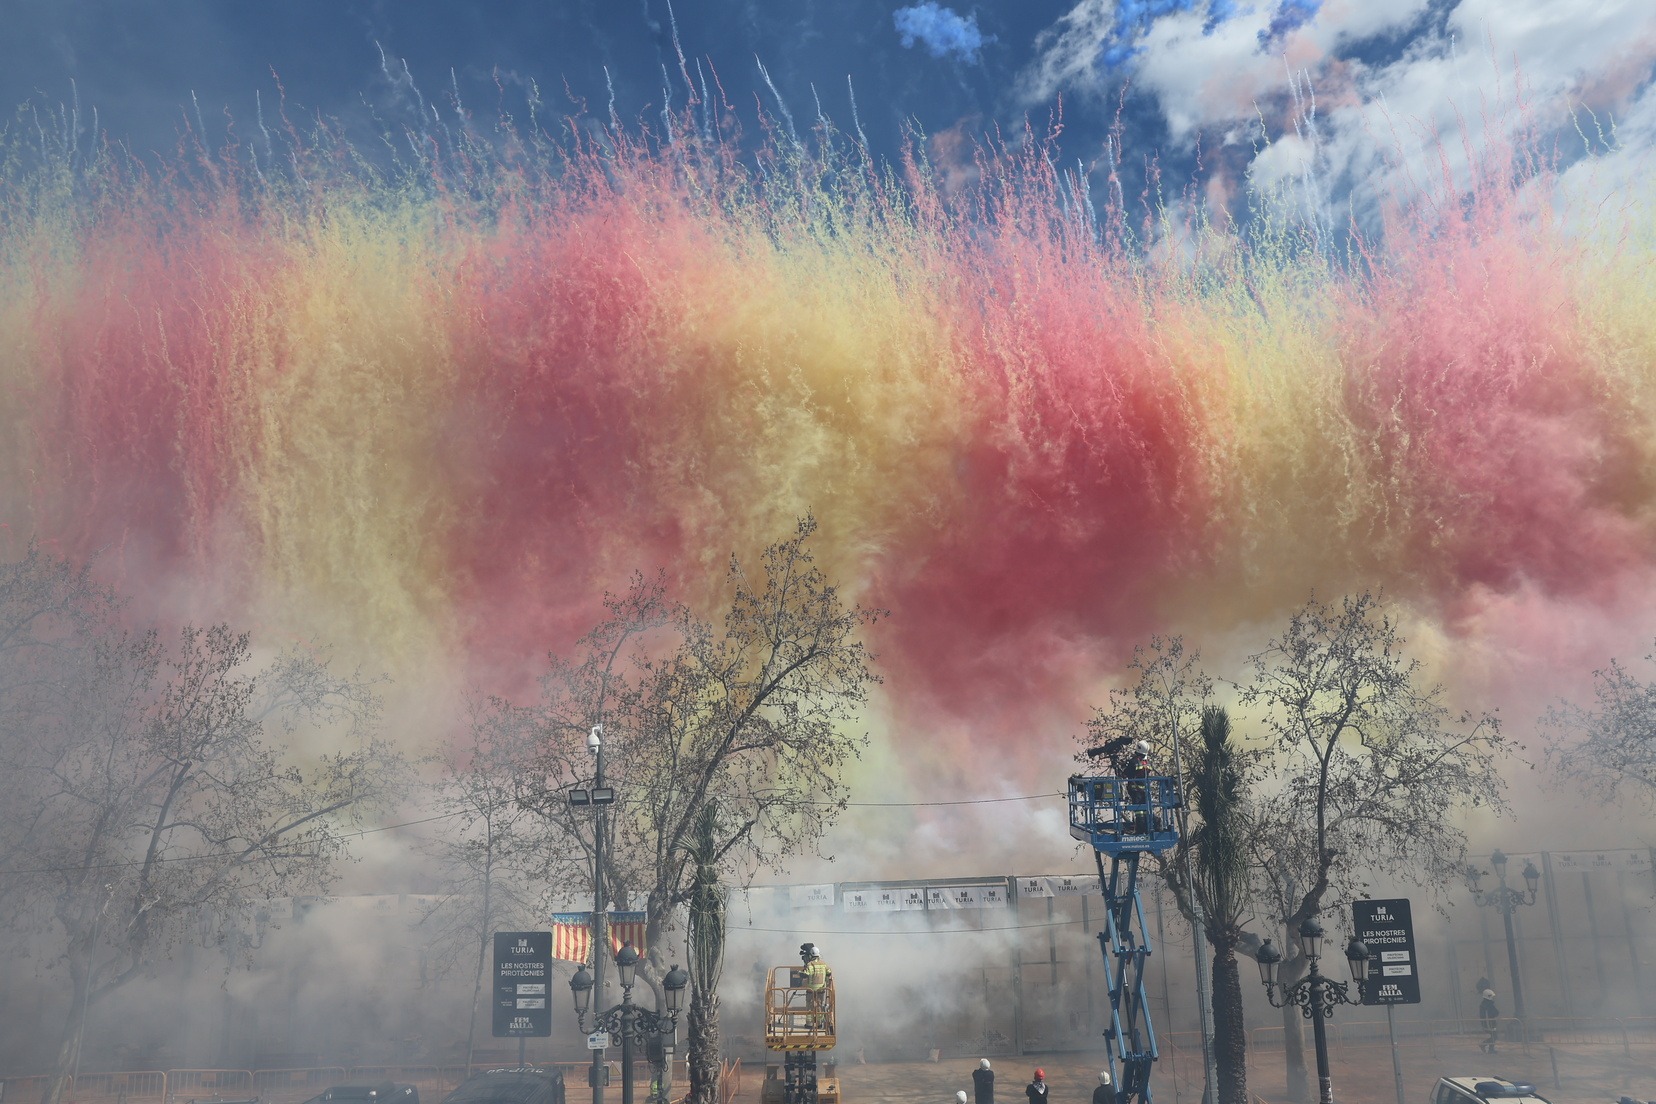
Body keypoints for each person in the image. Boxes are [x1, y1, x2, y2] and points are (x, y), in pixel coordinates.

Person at [800, 942, 832, 1030]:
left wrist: (800, 973)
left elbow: (805, 974)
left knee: (809, 1006)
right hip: (821, 989)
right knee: (820, 1006)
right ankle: (819, 1024)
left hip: (811, 990)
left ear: (811, 955)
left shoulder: (810, 965)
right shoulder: (824, 964)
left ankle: (809, 1024)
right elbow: (829, 972)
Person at [1478, 988, 1500, 1053]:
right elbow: (1496, 1012)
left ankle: (1490, 1048)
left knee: (1493, 1036)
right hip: (1490, 1023)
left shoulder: (1483, 1004)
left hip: (1486, 1023)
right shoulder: (1489, 1005)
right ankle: (1485, 1046)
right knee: (1494, 1036)